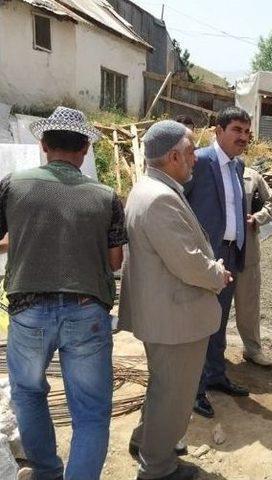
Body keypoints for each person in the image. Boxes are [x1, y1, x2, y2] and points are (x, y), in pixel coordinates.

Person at [0, 106, 126, 480]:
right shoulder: (105, 196)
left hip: (28, 310)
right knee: (89, 412)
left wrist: (25, 240)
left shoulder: (11, 185)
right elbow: (115, 261)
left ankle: (46, 472)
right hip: (86, 311)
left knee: (28, 393)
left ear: (43, 145)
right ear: (85, 148)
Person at [119, 120, 230, 480]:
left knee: (162, 387)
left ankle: (145, 441)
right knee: (174, 397)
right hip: (175, 318)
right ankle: (159, 467)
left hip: (163, 313)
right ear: (173, 156)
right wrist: (217, 275)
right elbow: (187, 262)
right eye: (191, 152)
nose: (195, 159)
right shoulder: (161, 198)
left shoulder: (148, 188)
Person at [185, 106, 251, 418]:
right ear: (218, 131)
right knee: (200, 324)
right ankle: (195, 390)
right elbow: (180, 206)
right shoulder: (199, 161)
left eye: (246, 131)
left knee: (220, 322)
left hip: (230, 255)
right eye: (236, 130)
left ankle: (215, 375)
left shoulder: (238, 167)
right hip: (204, 258)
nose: (243, 136)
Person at [234, 167, 272, 367]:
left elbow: (271, 203)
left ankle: (252, 349)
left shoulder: (252, 176)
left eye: (245, 133)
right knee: (215, 306)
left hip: (248, 252)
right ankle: (213, 354)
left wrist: (257, 218)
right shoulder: (208, 170)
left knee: (248, 304)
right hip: (217, 252)